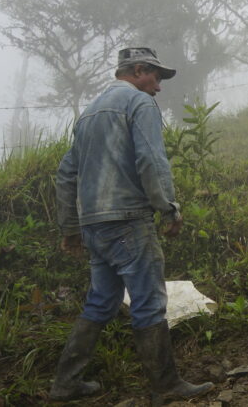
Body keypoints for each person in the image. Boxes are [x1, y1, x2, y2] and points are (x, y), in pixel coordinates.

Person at [50, 48, 213, 403]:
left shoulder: (89, 113)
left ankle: (65, 384)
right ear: (138, 71)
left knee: (101, 302)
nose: (158, 87)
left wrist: (70, 229)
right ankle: (165, 385)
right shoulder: (138, 104)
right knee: (149, 302)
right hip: (128, 221)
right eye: (156, 77)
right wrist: (169, 209)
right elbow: (151, 160)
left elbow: (66, 175)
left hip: (95, 226)